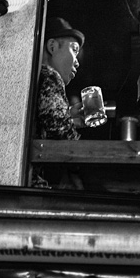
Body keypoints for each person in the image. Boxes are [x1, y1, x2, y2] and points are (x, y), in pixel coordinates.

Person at [31, 17, 86, 188]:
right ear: (52, 47)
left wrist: (69, 116)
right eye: (74, 50)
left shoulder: (37, 78)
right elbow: (58, 128)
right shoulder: (51, 75)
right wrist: (70, 128)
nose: (77, 61)